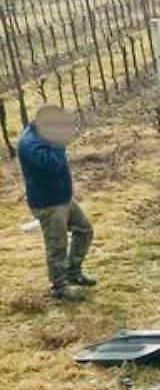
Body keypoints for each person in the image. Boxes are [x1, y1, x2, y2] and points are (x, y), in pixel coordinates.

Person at [17, 105, 95, 301]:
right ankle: (59, 287)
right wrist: (59, 143)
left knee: (84, 230)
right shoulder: (30, 144)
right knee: (57, 245)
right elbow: (52, 166)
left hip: (62, 198)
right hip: (48, 204)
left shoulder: (45, 136)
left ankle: (73, 272)